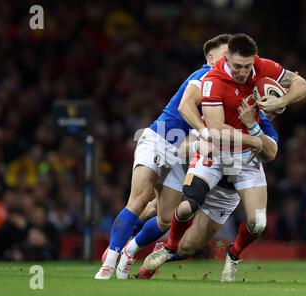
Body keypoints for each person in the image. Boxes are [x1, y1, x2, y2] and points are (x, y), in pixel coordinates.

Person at [141, 33, 306, 282]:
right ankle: (159, 246)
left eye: (248, 66)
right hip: (216, 154)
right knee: (187, 207)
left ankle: (232, 255)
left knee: (256, 225)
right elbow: (217, 129)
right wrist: (254, 139)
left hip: (239, 171)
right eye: (237, 67)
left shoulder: (263, 72)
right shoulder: (214, 80)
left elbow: (303, 86)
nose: (243, 72)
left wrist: (279, 103)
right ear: (227, 60)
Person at [95, 34, 252, 280]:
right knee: (139, 199)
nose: (230, 62)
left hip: (183, 153)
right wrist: (206, 133)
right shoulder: (204, 77)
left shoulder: (227, 86)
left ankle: (128, 250)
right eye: (225, 56)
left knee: (166, 217)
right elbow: (185, 109)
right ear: (211, 58)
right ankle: (109, 260)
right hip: (161, 140)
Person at [139, 103, 279, 281]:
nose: (269, 113)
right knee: (161, 208)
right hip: (203, 169)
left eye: (273, 110)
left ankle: (164, 252)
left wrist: (253, 126)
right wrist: (198, 146)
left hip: (225, 193)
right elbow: (183, 146)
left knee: (188, 248)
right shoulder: (219, 114)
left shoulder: (263, 127)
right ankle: (126, 246)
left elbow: (271, 152)